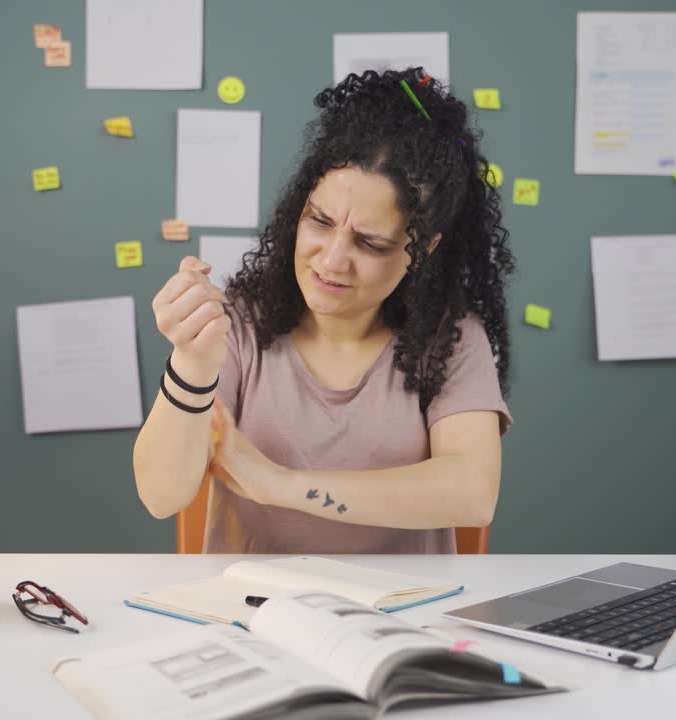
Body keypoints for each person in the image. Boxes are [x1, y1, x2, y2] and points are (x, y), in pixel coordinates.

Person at [133, 68, 514, 553]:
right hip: (251, 598)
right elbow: (161, 495)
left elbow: (473, 493)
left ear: (424, 249)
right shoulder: (238, 324)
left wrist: (281, 485)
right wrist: (191, 364)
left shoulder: (452, 338)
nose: (332, 261)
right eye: (319, 221)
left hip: (403, 601)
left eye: (370, 243)